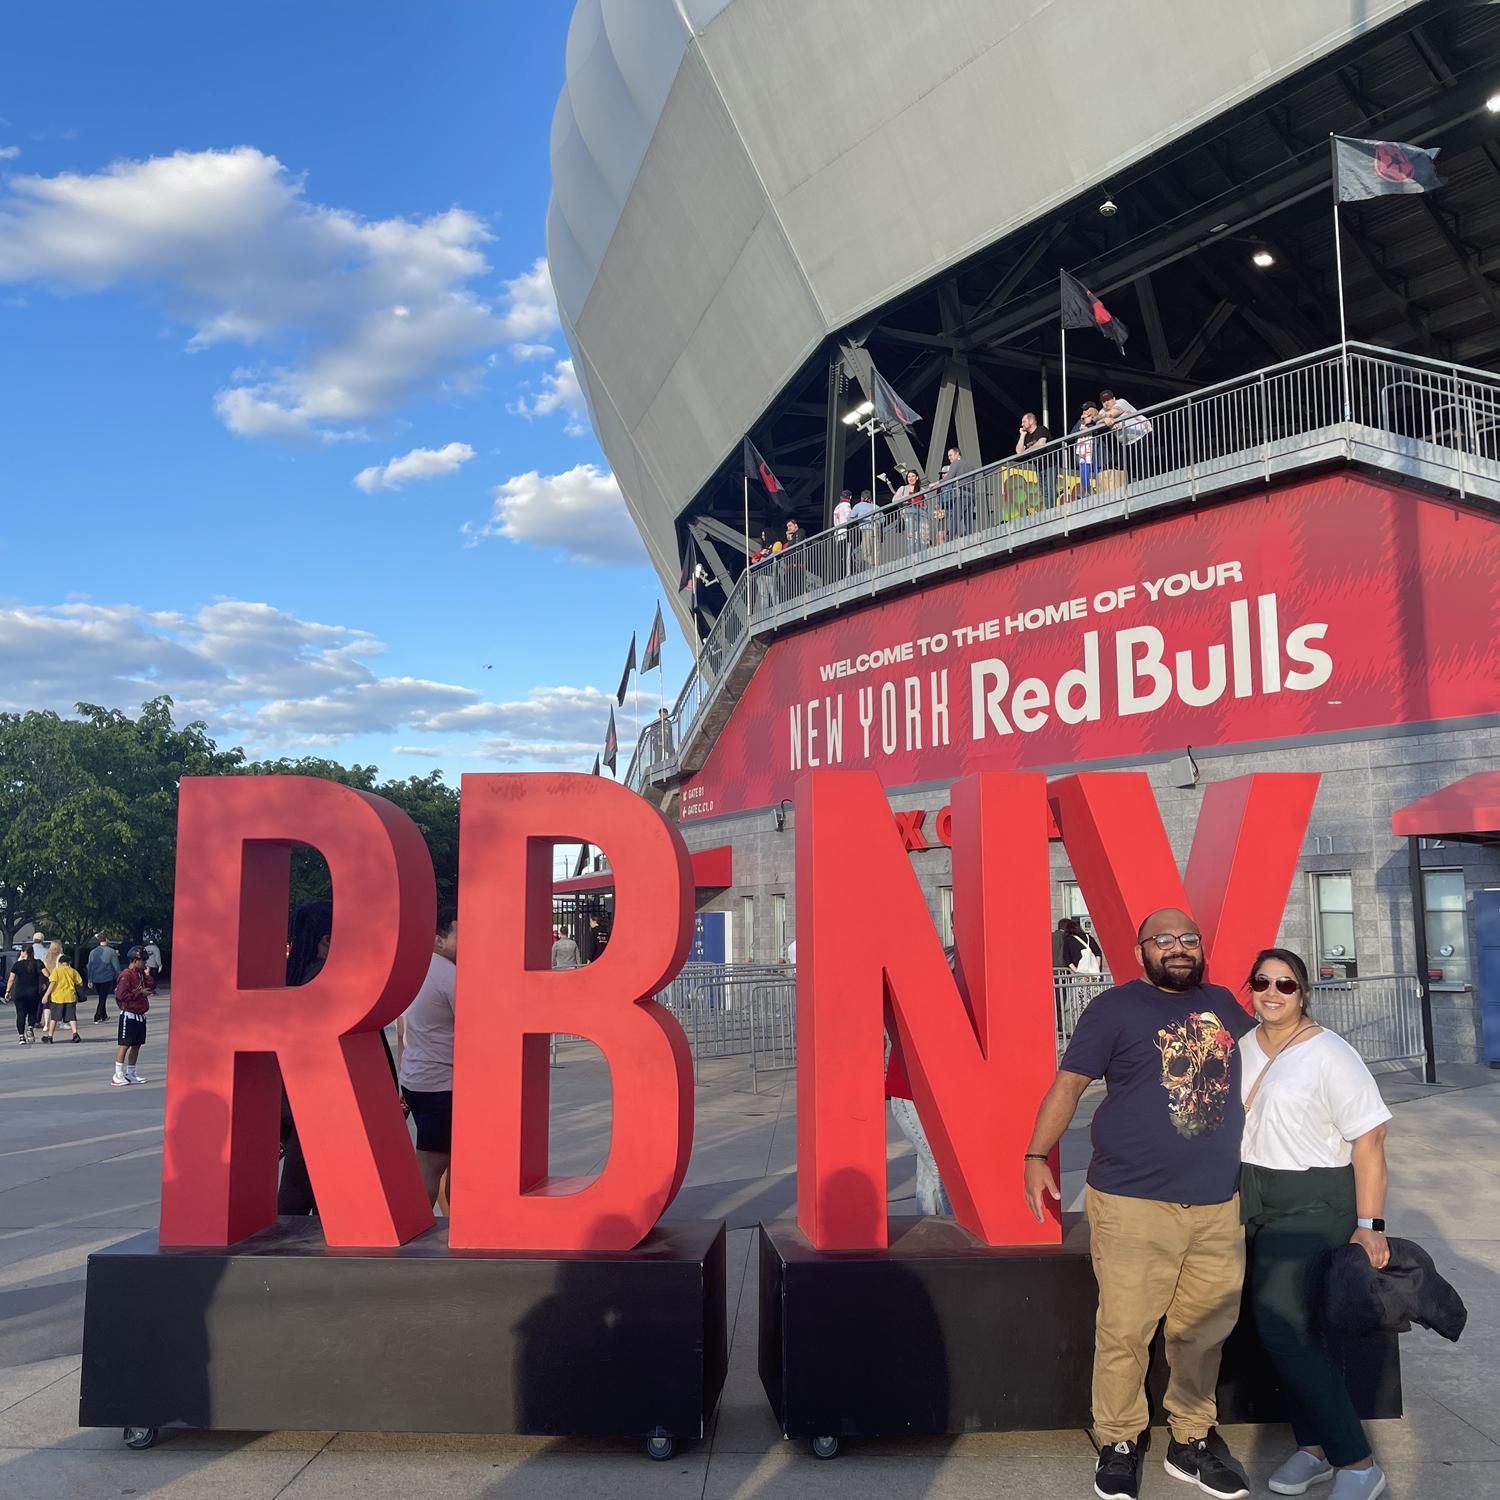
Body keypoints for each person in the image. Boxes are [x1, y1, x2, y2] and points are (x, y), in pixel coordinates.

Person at [1022, 907, 1255, 1500]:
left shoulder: (1224, 1004)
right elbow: (1068, 1085)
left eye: (1188, 939)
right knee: (1125, 1328)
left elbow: (1271, 1067)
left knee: (1203, 1330)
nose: (1178, 948)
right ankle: (1119, 1439)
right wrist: (1035, 1156)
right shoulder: (1115, 1008)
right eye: (1164, 940)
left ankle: (1192, 1437)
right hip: (1132, 1201)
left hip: (1215, 1202)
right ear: (1140, 951)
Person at [1239, 948, 1393, 1500]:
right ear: (1250, 988)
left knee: (1283, 1325)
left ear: (1303, 992)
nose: (1273, 992)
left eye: (1286, 984)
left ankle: (1358, 1462)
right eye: (1262, 982)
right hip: (1250, 1194)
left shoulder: (1331, 1054)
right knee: (1289, 1331)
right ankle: (1315, 1447)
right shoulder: (1242, 1048)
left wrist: (1370, 1223)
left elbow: (1370, 1140)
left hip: (1312, 1201)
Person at [398, 907, 460, 1209]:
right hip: (440, 1086)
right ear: (438, 940)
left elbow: (402, 1030)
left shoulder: (419, 970)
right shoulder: (449, 975)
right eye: (460, 935)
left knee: (441, 1162)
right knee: (432, 1167)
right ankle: (415, 1230)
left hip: (418, 1080)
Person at [111, 946, 155, 1085]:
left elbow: (151, 986)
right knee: (125, 1044)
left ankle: (131, 1072)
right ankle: (118, 1074)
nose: (145, 963)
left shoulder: (141, 974)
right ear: (135, 960)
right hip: (129, 1014)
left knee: (136, 1045)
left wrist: (147, 975)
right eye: (143, 960)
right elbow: (121, 995)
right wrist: (139, 993)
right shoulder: (126, 975)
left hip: (140, 1014)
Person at [1100, 389, 1152, 483]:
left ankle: (1146, 483)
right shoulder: (1102, 412)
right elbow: (1096, 422)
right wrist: (1105, 420)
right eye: (1104, 401)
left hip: (1142, 433)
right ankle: (1131, 485)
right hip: (1126, 442)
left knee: (1142, 462)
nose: (1107, 403)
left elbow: (1114, 413)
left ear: (1114, 399)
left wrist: (1107, 418)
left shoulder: (1121, 402)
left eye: (1109, 399)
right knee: (1125, 464)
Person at [6, 944, 46, 1045]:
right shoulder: (38, 963)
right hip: (33, 993)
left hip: (20, 993)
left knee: (20, 1014)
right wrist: (44, 984)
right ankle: (30, 1027)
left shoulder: (17, 965)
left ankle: (21, 1037)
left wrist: (8, 992)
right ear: (32, 952)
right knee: (32, 1012)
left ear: (24, 952)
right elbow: (48, 974)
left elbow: (11, 979)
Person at [41, 951, 84, 1043]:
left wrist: (46, 995)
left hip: (57, 998)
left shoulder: (56, 971)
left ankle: (50, 1037)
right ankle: (75, 1034)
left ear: (59, 963)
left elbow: (52, 983)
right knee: (72, 1017)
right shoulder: (73, 971)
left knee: (54, 1018)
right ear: (69, 962)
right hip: (70, 997)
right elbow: (80, 983)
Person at [87, 933, 121, 1024]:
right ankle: (97, 1016)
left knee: (102, 996)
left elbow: (90, 966)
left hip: (95, 977)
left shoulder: (93, 952)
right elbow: (116, 966)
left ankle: (104, 1015)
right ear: (106, 939)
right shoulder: (111, 951)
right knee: (103, 998)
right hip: (107, 977)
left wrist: (89, 979)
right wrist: (119, 976)